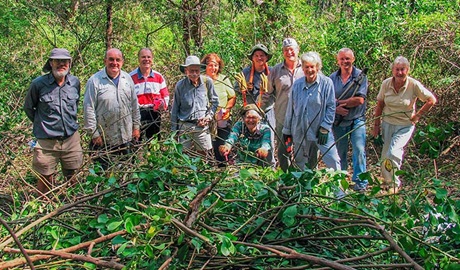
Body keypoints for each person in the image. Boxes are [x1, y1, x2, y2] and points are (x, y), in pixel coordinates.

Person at [372, 56, 436, 192]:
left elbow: (431, 100)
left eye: (402, 69)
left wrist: (417, 115)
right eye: (397, 69)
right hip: (388, 123)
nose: (399, 72)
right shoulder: (386, 84)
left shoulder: (413, 85)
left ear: (407, 70)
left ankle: (395, 184)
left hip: (405, 125)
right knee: (385, 155)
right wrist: (376, 125)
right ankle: (387, 181)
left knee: (394, 152)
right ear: (392, 70)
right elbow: (380, 104)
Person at [24, 48, 83, 194]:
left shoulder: (74, 82)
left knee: (72, 174)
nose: (61, 64)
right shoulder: (38, 84)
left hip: (71, 138)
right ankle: (43, 207)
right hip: (47, 141)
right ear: (51, 63)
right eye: (57, 61)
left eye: (65, 61)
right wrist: (43, 124)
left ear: (69, 63)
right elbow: (28, 108)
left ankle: (73, 206)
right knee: (45, 177)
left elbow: (75, 106)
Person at [262, 38, 317, 171]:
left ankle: (309, 175)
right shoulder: (275, 70)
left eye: (292, 49)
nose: (289, 52)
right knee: (283, 149)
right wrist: (259, 110)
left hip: (306, 117)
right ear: (283, 52)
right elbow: (267, 93)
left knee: (309, 147)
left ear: (298, 50)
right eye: (286, 50)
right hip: (283, 117)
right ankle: (287, 176)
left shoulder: (307, 67)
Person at [283, 52, 341, 171]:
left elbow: (331, 106)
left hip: (320, 131)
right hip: (300, 129)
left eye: (312, 67)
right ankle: (303, 188)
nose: (310, 70)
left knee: (333, 160)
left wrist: (325, 127)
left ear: (317, 67)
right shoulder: (297, 85)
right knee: (301, 163)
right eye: (307, 67)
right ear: (303, 68)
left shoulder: (326, 83)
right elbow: (291, 109)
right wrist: (287, 130)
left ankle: (338, 188)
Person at [83, 48, 141, 169]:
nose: (114, 63)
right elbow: (89, 109)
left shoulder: (127, 79)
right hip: (104, 139)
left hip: (126, 137)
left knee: (127, 171)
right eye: (111, 59)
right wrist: (94, 134)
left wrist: (136, 127)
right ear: (105, 61)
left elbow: (134, 105)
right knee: (104, 174)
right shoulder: (94, 81)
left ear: (122, 62)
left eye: (117, 60)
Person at [330, 48, 368, 191]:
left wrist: (339, 103)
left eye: (348, 59)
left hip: (357, 119)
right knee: (340, 153)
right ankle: (341, 181)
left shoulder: (360, 76)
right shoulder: (332, 78)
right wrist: (336, 108)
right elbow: (328, 100)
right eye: (342, 59)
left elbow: (359, 100)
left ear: (353, 59)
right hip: (338, 121)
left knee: (359, 150)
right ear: (337, 61)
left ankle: (360, 183)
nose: (345, 62)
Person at [170, 55, 219, 157]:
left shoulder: (207, 82)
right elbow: (174, 109)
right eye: (191, 71)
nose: (194, 74)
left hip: (202, 127)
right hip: (185, 126)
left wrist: (208, 117)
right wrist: (174, 132)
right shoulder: (180, 86)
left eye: (196, 71)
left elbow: (215, 102)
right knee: (183, 157)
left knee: (206, 156)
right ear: (186, 71)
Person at [235, 43, 275, 164]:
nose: (259, 58)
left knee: (269, 141)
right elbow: (236, 89)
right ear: (252, 58)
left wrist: (268, 89)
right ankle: (249, 166)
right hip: (251, 113)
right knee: (248, 141)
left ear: (266, 57)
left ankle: (269, 167)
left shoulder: (272, 72)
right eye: (256, 55)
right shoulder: (246, 72)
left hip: (267, 111)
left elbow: (278, 90)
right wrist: (245, 87)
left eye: (262, 55)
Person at [201, 53, 236, 166]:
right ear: (205, 66)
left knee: (221, 145)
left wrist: (227, 109)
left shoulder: (224, 79)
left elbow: (232, 97)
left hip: (222, 118)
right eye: (210, 65)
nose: (213, 68)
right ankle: (208, 169)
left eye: (215, 65)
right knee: (207, 146)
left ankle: (222, 169)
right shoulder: (201, 80)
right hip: (206, 118)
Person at [130, 48, 169, 140]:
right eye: (143, 57)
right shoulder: (130, 77)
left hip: (154, 113)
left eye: (148, 57)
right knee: (135, 141)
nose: (146, 59)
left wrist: (163, 105)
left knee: (154, 142)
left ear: (152, 59)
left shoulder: (158, 76)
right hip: (137, 113)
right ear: (139, 59)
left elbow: (165, 95)